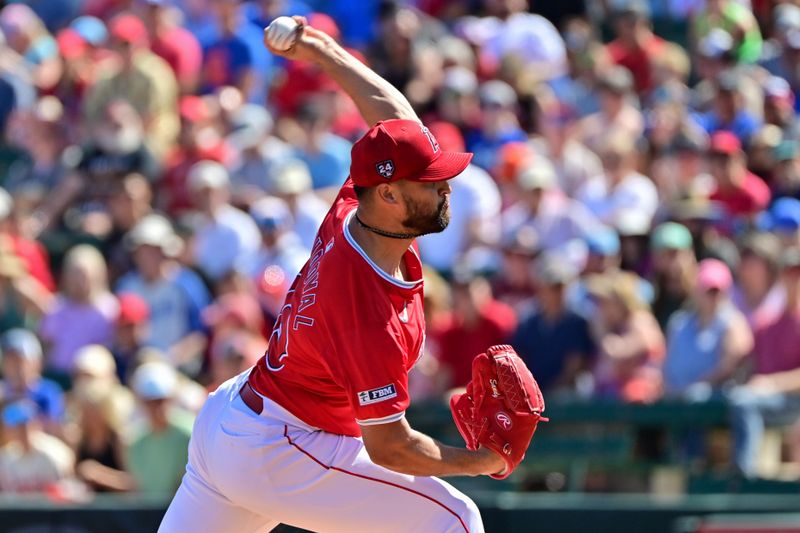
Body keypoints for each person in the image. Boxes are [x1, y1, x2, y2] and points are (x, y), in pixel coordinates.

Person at [159, 17, 504, 533]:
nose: (446, 187)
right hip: (284, 446)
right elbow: (390, 447)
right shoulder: (368, 312)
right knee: (454, 519)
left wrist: (323, 50)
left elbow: (396, 120)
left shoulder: (357, 205)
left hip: (234, 422)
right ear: (388, 195)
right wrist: (485, 462)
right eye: (430, 182)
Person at [729, 247, 800, 478]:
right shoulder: (765, 323)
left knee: (744, 402)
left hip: (793, 401)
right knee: (734, 398)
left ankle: (745, 477)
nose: (794, 280)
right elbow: (749, 365)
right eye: (789, 273)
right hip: (769, 401)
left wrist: (771, 383)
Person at [662, 259, 752, 397]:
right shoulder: (679, 322)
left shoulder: (733, 323)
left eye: (716, 291)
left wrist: (696, 386)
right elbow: (667, 364)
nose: (712, 297)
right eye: (708, 290)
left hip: (713, 401)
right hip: (675, 400)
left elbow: (730, 364)